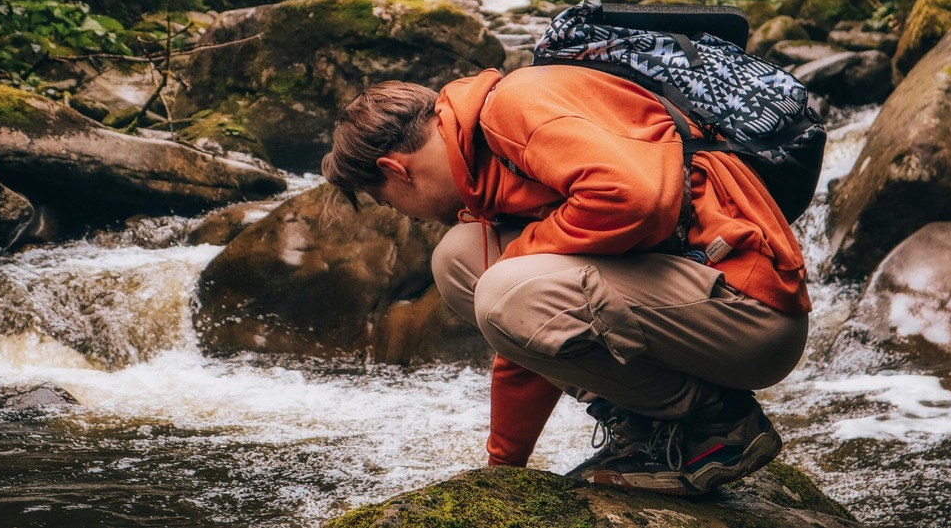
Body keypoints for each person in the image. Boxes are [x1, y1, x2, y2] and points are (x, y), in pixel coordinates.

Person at [320, 64, 809, 496]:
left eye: (387, 203)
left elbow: (634, 198)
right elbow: (521, 340)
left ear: (395, 170)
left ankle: (716, 424)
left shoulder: (513, 109)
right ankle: (644, 422)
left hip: (752, 315)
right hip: (693, 302)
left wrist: (518, 256)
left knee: (501, 284)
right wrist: (504, 468)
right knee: (461, 259)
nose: (408, 217)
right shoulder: (484, 164)